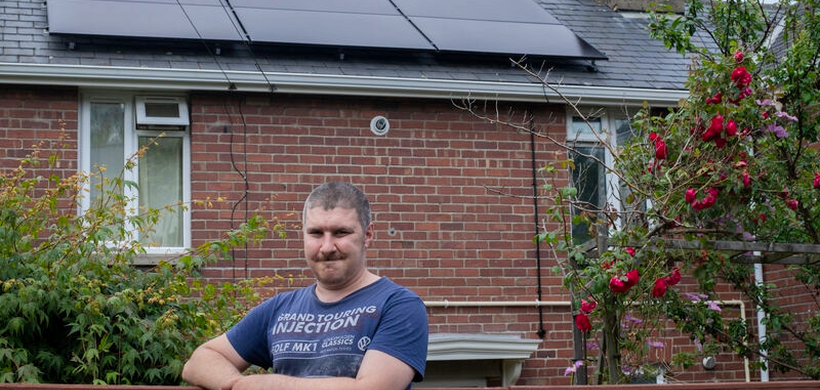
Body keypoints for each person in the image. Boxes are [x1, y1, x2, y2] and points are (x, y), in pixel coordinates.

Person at [182, 181, 429, 390]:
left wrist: (270, 385)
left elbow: (370, 388)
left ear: (368, 234)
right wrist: (237, 384)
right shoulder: (279, 309)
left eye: (341, 233)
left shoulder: (399, 306)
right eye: (316, 233)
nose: (327, 247)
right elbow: (199, 361)